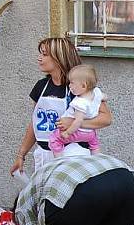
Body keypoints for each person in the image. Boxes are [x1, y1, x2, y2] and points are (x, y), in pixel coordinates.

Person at [10, 37, 112, 174]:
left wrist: (76, 123)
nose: (39, 58)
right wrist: (21, 155)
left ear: (60, 58)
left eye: (45, 54)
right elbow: (35, 123)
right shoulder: (41, 86)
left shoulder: (80, 87)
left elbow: (106, 119)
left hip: (73, 154)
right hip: (44, 155)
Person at [49, 64, 106, 157]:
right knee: (94, 144)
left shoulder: (79, 102)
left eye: (72, 83)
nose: (69, 85)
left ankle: (59, 161)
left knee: (54, 140)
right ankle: (97, 158)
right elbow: (105, 97)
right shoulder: (96, 93)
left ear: (84, 86)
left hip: (78, 132)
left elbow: (78, 121)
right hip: (90, 133)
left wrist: (68, 132)